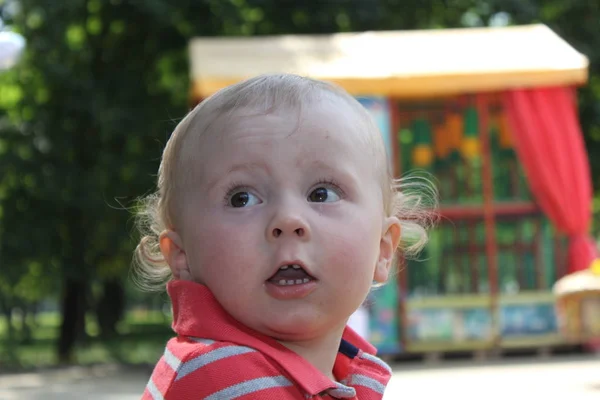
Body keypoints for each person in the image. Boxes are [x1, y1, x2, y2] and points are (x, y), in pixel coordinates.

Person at [135, 74, 435, 399]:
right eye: (242, 198)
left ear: (382, 249)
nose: (288, 219)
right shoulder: (220, 379)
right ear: (182, 256)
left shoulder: (332, 369)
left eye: (322, 193)